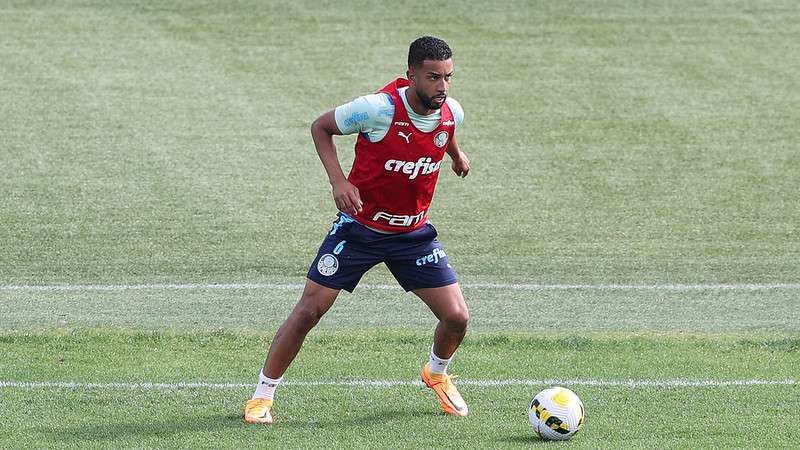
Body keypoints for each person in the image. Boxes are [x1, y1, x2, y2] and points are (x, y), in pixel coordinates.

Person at [244, 36, 472, 424]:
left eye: (448, 77)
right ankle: (262, 395)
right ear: (411, 75)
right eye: (433, 77)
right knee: (309, 311)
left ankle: (436, 373)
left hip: (412, 235)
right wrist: (338, 182)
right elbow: (321, 127)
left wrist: (455, 153)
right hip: (359, 231)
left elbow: (443, 129)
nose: (442, 87)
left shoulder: (450, 111)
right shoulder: (377, 109)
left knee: (457, 318)